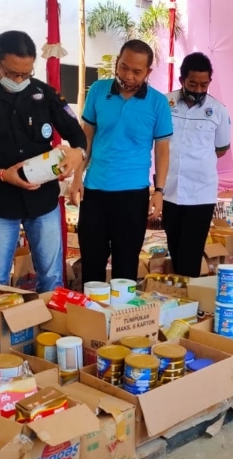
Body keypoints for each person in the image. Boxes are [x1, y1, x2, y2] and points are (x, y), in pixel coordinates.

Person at [0, 30, 86, 292]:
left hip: (43, 202)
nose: (20, 79)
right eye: (13, 73)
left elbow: (77, 135)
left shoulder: (44, 93)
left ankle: (50, 327)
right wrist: (1, 173)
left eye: (27, 73)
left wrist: (77, 152)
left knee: (51, 278)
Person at [70, 40, 172, 284]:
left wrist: (158, 191)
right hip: (94, 191)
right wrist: (77, 177)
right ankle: (92, 315)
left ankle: (121, 317)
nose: (128, 75)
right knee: (92, 261)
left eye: (137, 71)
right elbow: (87, 138)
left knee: (125, 264)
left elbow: (162, 151)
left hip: (133, 195)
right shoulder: (97, 90)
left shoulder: (158, 103)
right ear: (117, 63)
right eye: (124, 67)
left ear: (148, 72)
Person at [162, 53, 232, 277]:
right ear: (182, 80)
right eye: (193, 83)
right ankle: (176, 294)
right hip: (169, 189)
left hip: (201, 193)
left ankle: (187, 299)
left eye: (204, 84)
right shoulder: (165, 103)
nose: (199, 89)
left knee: (191, 252)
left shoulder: (218, 110)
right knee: (174, 247)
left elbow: (221, 148)